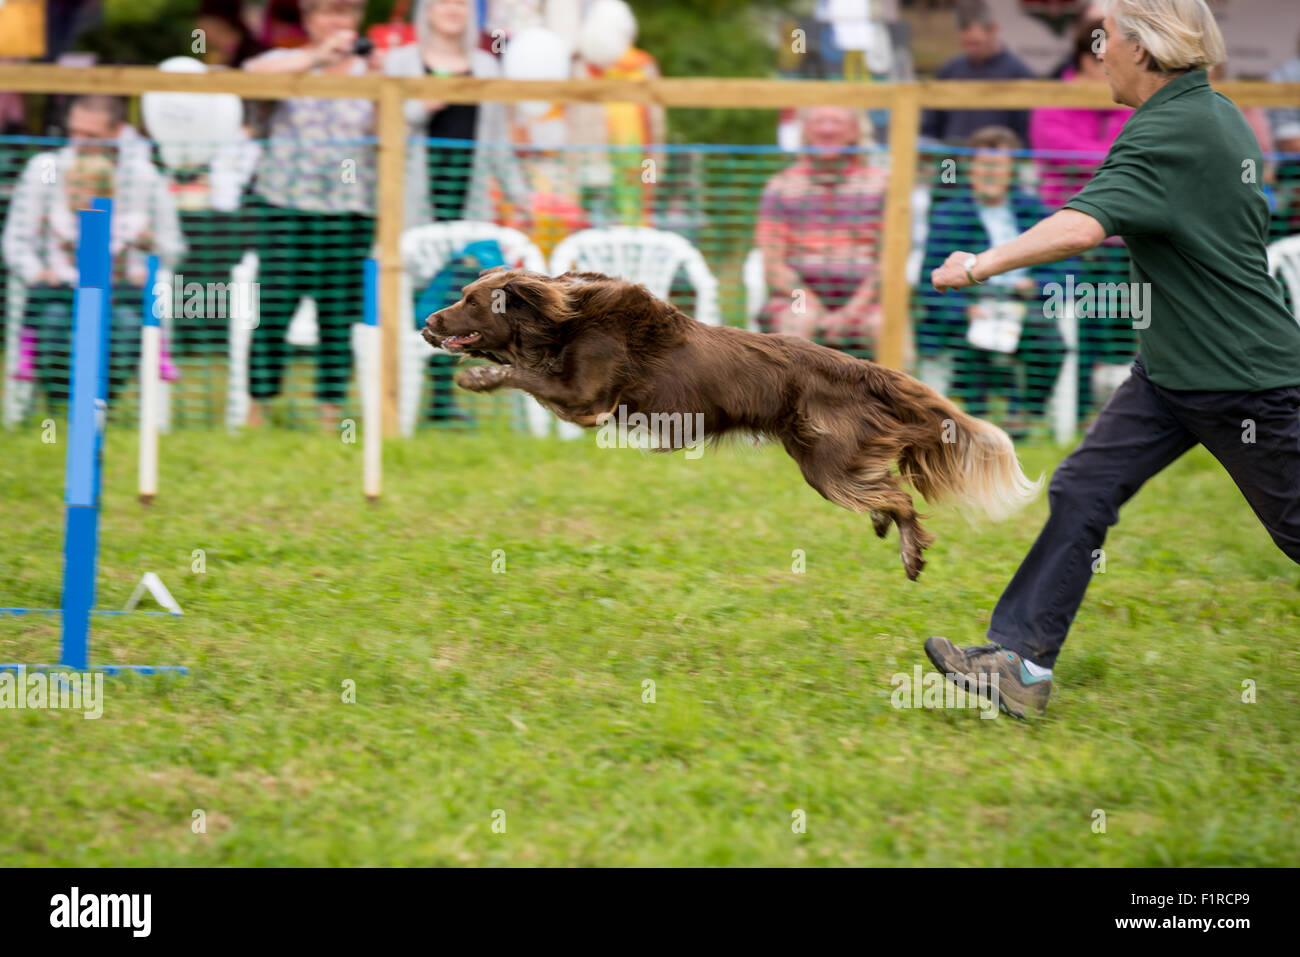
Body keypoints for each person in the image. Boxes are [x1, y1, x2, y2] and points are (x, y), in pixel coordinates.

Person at [925, 0, 1300, 719]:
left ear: (1147, 48)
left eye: (1108, 37)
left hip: (1241, 380)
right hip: (1170, 373)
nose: (1098, 51)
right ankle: (1021, 666)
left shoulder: (1171, 130)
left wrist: (978, 265)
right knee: (1084, 487)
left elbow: (1078, 228)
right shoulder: (1213, 111)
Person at [384, 0, 531, 425]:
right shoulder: (401, 63)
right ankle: (403, 397)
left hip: (470, 203)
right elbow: (385, 129)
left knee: (463, 301)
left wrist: (520, 197)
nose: (453, 8)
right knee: (419, 295)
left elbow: (499, 143)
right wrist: (421, 107)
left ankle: (440, 401)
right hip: (416, 203)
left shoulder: (486, 67)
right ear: (426, 9)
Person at [242, 0, 380, 430]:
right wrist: (317, 59)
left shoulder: (374, 70)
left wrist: (376, 77)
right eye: (327, 12)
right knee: (275, 306)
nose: (337, 22)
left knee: (337, 314)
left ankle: (330, 412)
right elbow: (248, 79)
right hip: (284, 205)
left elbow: (389, 130)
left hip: (349, 211)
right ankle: (258, 408)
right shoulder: (285, 62)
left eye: (345, 12)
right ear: (309, 20)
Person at [2, 95, 186, 407]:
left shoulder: (144, 177)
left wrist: (147, 251)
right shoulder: (45, 169)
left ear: (117, 133)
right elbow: (15, 241)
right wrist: (37, 272)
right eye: (74, 132)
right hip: (58, 288)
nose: (79, 143)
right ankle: (60, 406)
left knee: (126, 326)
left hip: (120, 292)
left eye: (92, 136)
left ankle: (101, 405)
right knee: (55, 321)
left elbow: (173, 247)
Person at [918, 126, 1068, 438]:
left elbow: (1066, 265)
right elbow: (928, 278)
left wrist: (1037, 286)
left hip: (1025, 302)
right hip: (973, 301)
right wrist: (964, 309)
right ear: (970, 168)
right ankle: (976, 421)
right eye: (983, 165)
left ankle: (1024, 413)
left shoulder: (1033, 211)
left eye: (998, 166)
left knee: (1048, 340)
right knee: (975, 339)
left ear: (1012, 170)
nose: (989, 173)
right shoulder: (948, 214)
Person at [1030, 16, 1134, 422]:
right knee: (1067, 327)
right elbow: (1060, 151)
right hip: (1060, 233)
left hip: (1120, 240)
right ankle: (1063, 411)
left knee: (1119, 328)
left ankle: (1107, 411)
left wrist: (1104, 160)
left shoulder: (1131, 98)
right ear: (1085, 55)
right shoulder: (1054, 99)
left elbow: (1136, 154)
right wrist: (1111, 159)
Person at [754, 106, 888, 358]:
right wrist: (812, 305)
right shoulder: (780, 186)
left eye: (836, 121)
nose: (827, 129)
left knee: (884, 326)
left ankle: (900, 397)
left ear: (855, 131)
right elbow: (773, 267)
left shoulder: (882, 185)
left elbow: (889, 262)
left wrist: (851, 312)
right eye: (819, 122)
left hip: (866, 300)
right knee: (799, 320)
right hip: (798, 297)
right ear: (805, 131)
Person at [920, 0, 1037, 146]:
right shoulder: (949, 70)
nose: (971, 49)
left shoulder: (1019, 74)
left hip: (996, 163)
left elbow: (1027, 133)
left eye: (977, 43)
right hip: (950, 162)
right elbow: (931, 124)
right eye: (966, 44)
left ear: (994, 30)